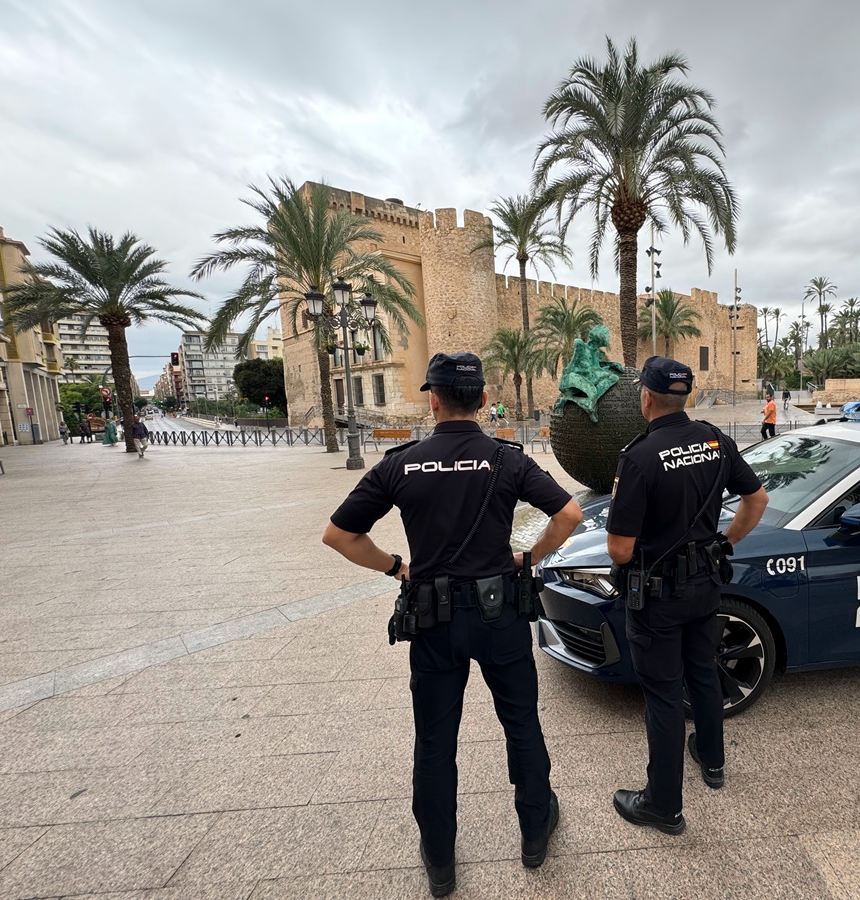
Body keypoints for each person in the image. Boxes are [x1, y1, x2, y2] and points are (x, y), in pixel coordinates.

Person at [322, 351, 582, 896]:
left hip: (434, 618)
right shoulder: (508, 460)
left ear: (433, 400)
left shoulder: (401, 464)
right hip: (499, 613)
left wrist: (398, 567)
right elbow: (569, 515)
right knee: (521, 723)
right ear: (484, 400)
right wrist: (528, 557)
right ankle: (535, 832)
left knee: (435, 738)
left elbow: (339, 535)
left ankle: (440, 857)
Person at [606, 356, 768, 835]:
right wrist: (725, 543)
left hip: (658, 597)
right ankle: (713, 762)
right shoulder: (715, 440)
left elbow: (619, 549)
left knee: (662, 694)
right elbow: (756, 499)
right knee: (703, 671)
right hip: (706, 585)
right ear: (688, 396)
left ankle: (663, 805)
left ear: (646, 398)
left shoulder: (638, 457)